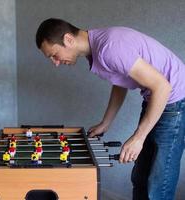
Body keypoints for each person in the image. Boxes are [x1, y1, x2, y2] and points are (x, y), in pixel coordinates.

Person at [35, 18, 185, 200]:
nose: (55, 62)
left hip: (174, 102)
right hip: (157, 99)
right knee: (140, 177)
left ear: (68, 40)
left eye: (54, 54)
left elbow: (163, 87)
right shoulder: (98, 48)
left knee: (158, 184)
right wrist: (106, 122)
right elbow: (120, 81)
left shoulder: (109, 49)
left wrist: (138, 138)